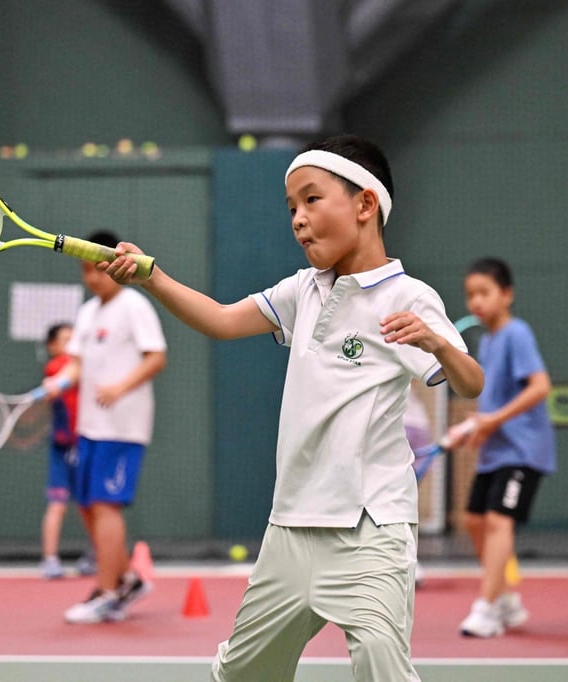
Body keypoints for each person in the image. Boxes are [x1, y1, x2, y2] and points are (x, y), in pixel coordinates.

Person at [103, 134, 484, 682]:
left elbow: (470, 383)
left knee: (382, 665)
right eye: (291, 208)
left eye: (311, 199)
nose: (298, 219)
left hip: (368, 525)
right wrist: (152, 277)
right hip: (291, 526)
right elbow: (224, 319)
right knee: (242, 673)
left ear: (365, 204)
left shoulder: (409, 297)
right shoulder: (301, 290)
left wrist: (439, 343)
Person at [44, 230, 168, 623]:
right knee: (88, 507)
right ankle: (127, 579)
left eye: (96, 270)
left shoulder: (134, 306)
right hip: (89, 427)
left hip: (123, 427)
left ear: (113, 265)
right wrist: (61, 381)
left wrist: (119, 387)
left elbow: (156, 357)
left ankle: (107, 590)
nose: (91, 278)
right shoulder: (86, 312)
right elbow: (76, 363)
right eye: (84, 271)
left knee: (104, 505)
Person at [453, 257, 556, 638]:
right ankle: (507, 599)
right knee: (475, 521)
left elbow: (540, 386)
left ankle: (487, 607)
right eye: (470, 295)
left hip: (523, 450)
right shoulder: (489, 340)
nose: (476, 301)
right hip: (494, 449)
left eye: (484, 293)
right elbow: (491, 403)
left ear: (507, 294)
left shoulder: (517, 334)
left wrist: (493, 421)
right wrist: (475, 428)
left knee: (498, 520)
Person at [39, 322, 80, 579]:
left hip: (86, 443)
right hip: (62, 448)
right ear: (52, 347)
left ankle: (97, 557)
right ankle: (50, 559)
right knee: (58, 505)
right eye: (66, 340)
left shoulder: (83, 365)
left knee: (94, 506)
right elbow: (60, 377)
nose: (72, 345)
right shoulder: (56, 366)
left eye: (74, 339)